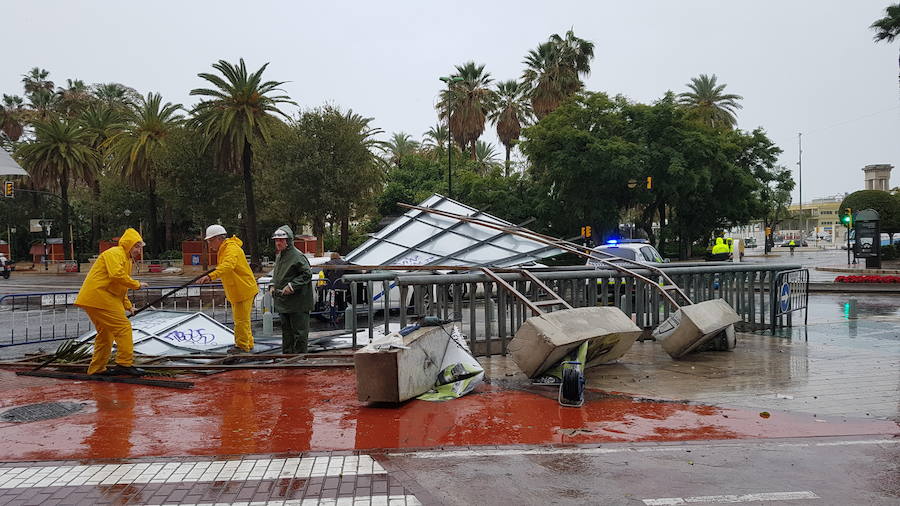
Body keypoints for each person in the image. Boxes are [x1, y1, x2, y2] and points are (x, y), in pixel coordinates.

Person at [74, 228, 149, 376]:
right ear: (128, 244)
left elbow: (120, 285)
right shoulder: (115, 253)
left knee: (106, 334)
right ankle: (124, 364)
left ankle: (97, 369)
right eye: (136, 246)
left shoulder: (126, 259)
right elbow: (116, 275)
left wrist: (128, 306)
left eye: (140, 247)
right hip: (100, 296)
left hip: (97, 298)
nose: (139, 251)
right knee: (123, 328)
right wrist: (137, 284)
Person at [197, 225, 257, 354]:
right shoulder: (226, 248)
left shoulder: (231, 249)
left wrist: (210, 276)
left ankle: (242, 347)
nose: (209, 244)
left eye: (210, 241)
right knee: (242, 319)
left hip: (242, 289)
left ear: (219, 238)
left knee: (241, 320)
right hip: (239, 289)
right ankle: (248, 343)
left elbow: (227, 266)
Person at [269, 225, 313, 354]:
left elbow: (307, 274)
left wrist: (292, 286)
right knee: (287, 333)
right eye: (276, 240)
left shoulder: (297, 256)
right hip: (284, 302)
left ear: (288, 241)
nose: (278, 243)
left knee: (299, 333)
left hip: (298, 302)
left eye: (281, 240)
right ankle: (288, 356)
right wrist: (273, 284)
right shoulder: (280, 256)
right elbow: (277, 274)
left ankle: (299, 358)